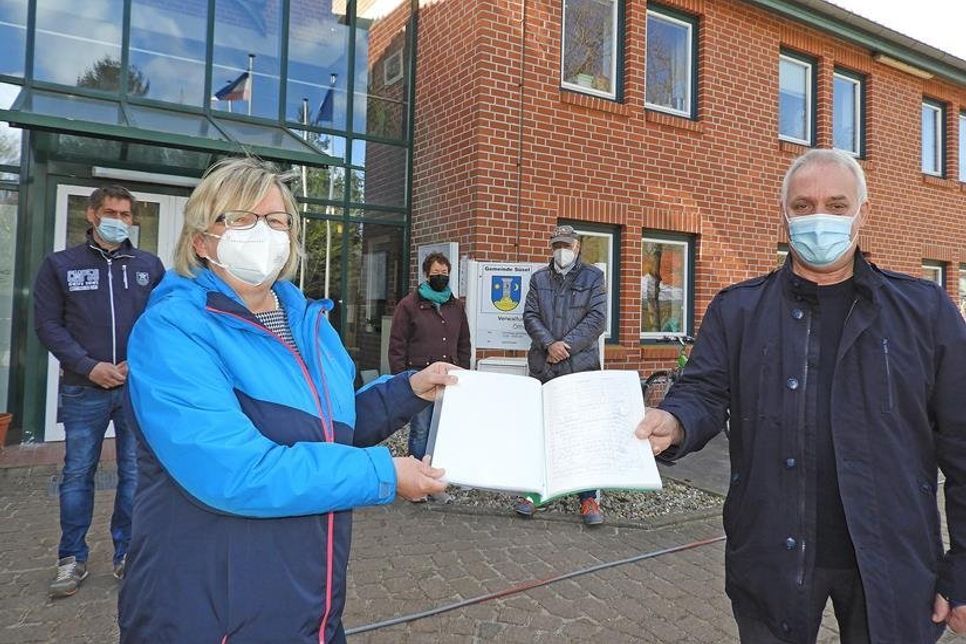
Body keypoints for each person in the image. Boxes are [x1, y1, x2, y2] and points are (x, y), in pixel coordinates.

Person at [117, 158, 454, 643]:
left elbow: (333, 428)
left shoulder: (310, 322)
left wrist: (410, 388)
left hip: (307, 611)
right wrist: (383, 474)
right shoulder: (172, 331)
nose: (265, 232)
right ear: (200, 241)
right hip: (205, 616)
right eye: (241, 219)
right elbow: (236, 473)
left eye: (277, 221)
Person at [637, 149, 966, 642]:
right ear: (785, 215)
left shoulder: (924, 312)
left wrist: (962, 569)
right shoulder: (738, 310)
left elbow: (962, 444)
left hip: (894, 559)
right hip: (770, 554)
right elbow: (703, 390)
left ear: (862, 213)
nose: (820, 219)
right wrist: (677, 422)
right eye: (804, 205)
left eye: (837, 206)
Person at [33, 185, 164, 598]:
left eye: (126, 215)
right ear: (91, 215)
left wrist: (138, 364)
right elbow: (48, 325)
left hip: (133, 388)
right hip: (82, 389)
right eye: (111, 212)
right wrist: (89, 366)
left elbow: (162, 321)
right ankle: (71, 558)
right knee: (77, 473)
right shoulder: (60, 266)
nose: (119, 221)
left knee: (134, 474)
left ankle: (127, 554)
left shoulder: (149, 266)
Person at [515, 224, 607, 525]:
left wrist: (564, 346)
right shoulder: (539, 279)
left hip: (579, 368)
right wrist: (548, 344)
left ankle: (588, 497)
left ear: (577, 246)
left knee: (581, 435)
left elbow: (597, 319)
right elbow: (529, 316)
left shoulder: (594, 277)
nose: (561, 251)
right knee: (540, 432)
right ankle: (534, 493)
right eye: (556, 245)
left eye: (566, 245)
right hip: (544, 366)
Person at [388, 251, 470, 502]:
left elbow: (464, 342)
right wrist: (403, 381)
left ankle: (436, 485)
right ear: (426, 274)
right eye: (436, 274)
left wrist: (463, 370)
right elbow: (397, 345)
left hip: (449, 381)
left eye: (445, 274)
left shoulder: (455, 306)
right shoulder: (409, 305)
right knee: (421, 432)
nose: (441, 278)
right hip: (420, 379)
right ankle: (417, 484)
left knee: (442, 433)